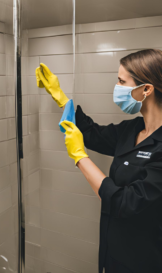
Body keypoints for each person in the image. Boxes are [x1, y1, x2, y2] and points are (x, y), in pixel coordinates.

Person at [35, 49, 162, 273]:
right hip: (113, 252)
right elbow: (92, 133)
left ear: (147, 89)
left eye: (122, 81)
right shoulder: (132, 129)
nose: (117, 88)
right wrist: (62, 99)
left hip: (144, 261)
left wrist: (80, 157)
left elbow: (127, 202)